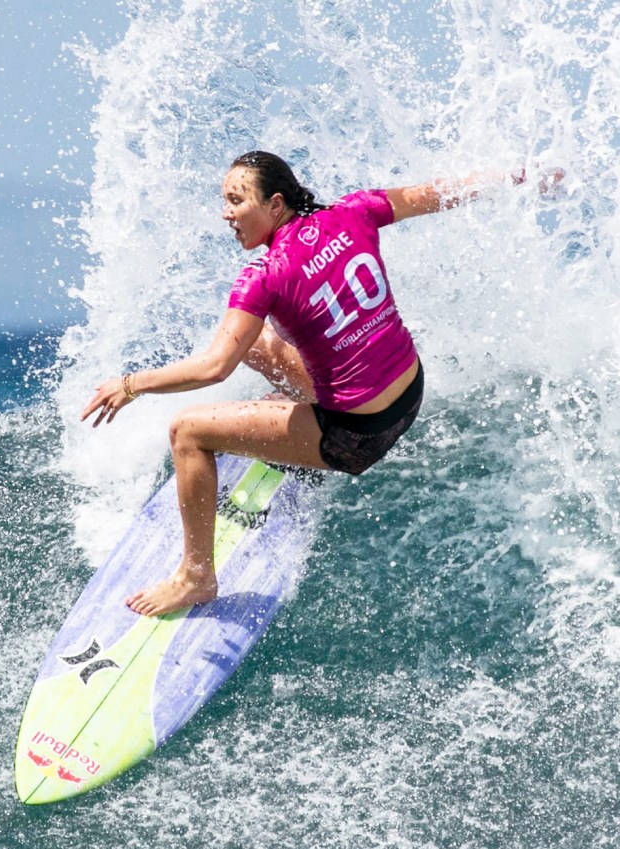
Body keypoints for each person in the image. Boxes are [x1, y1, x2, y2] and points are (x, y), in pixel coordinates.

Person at [81, 151, 562, 617]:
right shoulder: (355, 210)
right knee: (253, 343)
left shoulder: (264, 275)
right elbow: (440, 192)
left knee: (187, 431)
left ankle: (196, 577)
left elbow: (213, 368)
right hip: (410, 391)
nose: (226, 214)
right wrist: (520, 176)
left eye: (237, 200)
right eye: (224, 201)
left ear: (274, 204)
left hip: (356, 435)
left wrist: (131, 384)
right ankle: (298, 413)